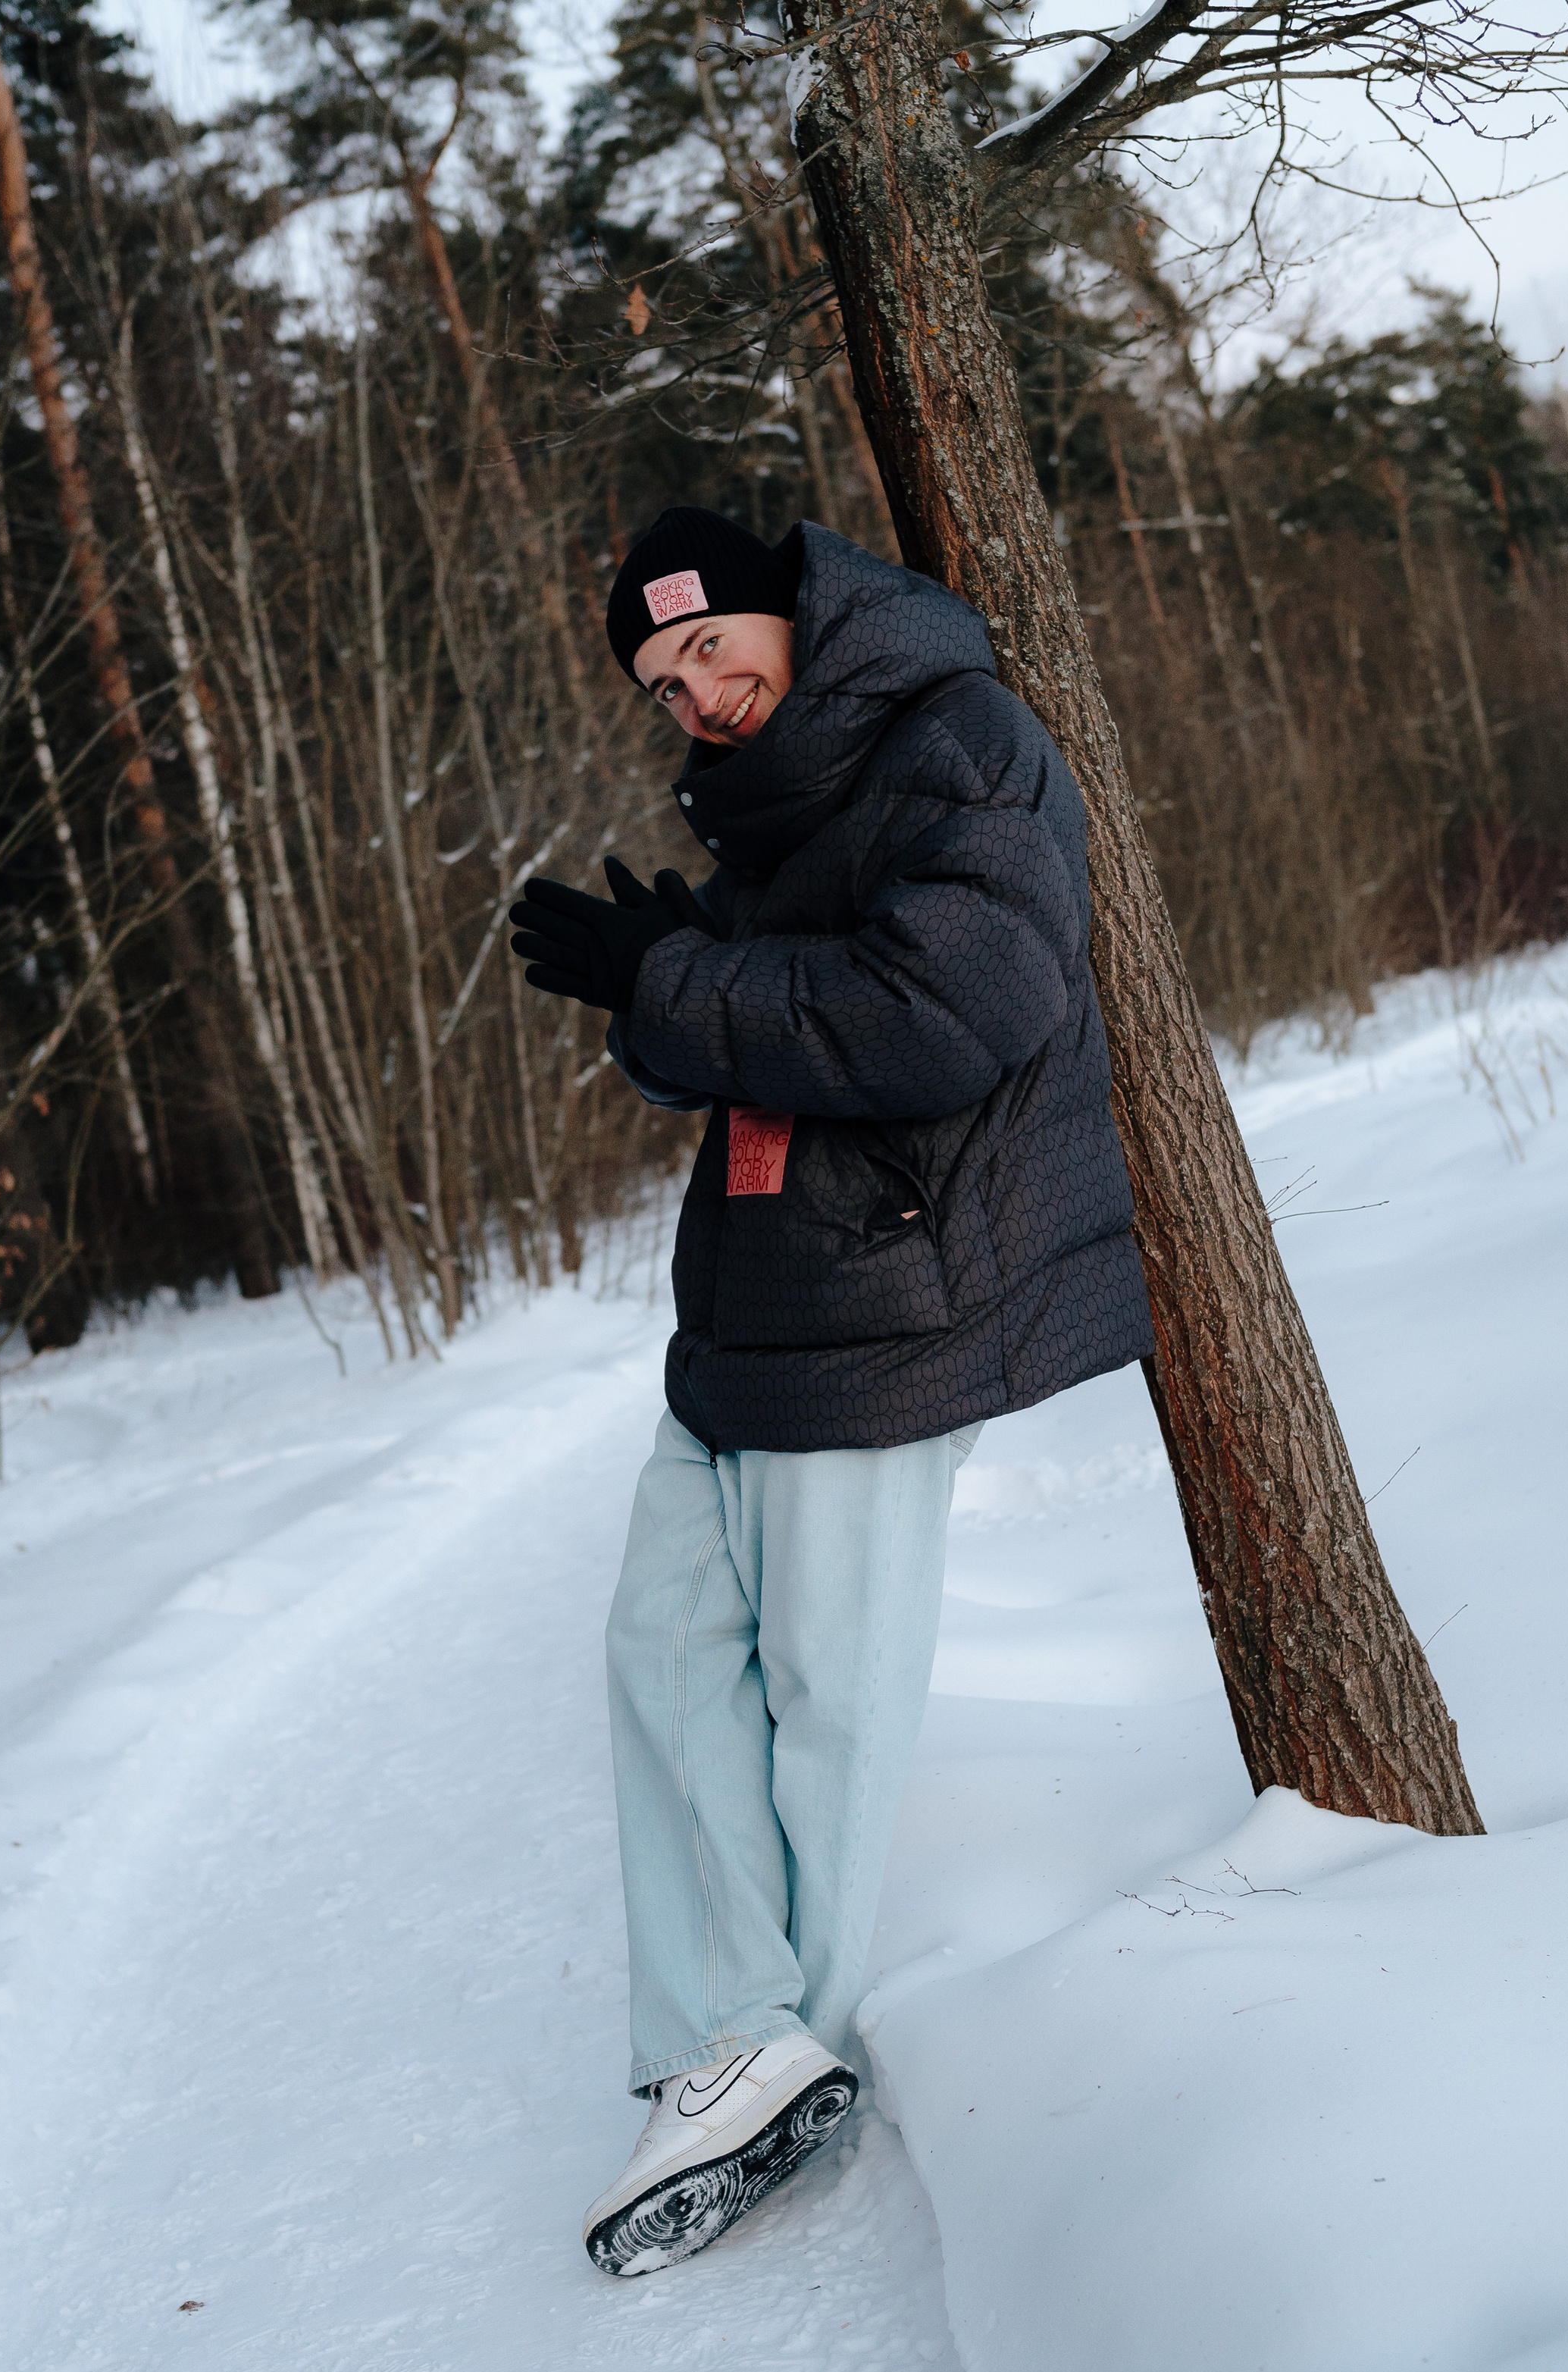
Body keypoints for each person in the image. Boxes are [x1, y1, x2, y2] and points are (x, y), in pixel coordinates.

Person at [509, 506, 1153, 2278]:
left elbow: (950, 1004)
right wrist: (663, 988)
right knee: (660, 1647)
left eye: (712, 647)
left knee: (826, 1685)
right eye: (662, 682)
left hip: (887, 1282)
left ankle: (789, 2037)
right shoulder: (779, 790)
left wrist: (680, 980)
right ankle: (740, 2030)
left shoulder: (956, 739)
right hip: (756, 1289)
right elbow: (756, 1019)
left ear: (789, 615)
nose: (697, 696)